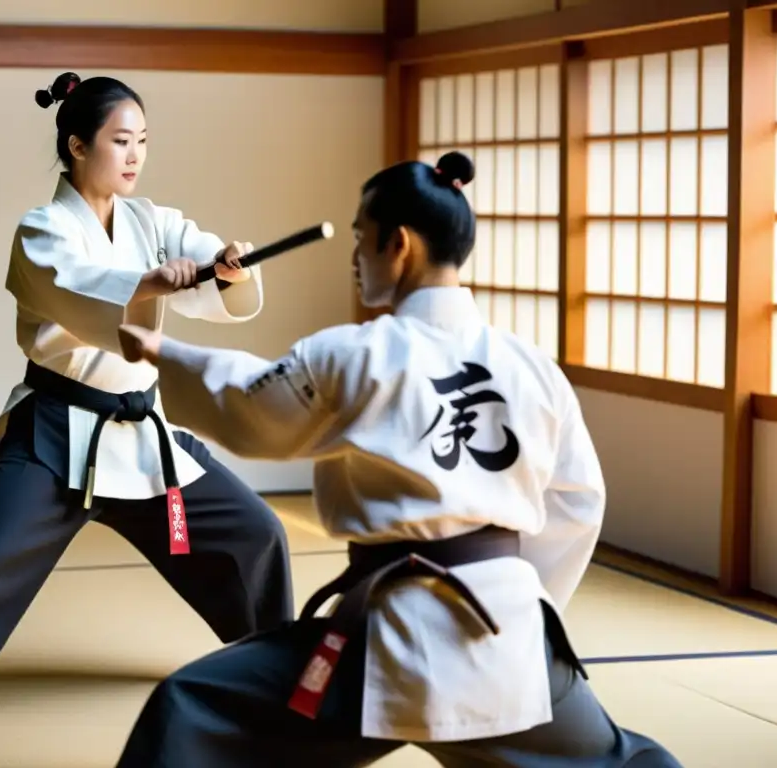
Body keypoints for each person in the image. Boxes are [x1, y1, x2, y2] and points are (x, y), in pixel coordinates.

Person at [112, 152, 684, 766]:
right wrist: (517, 599)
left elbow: (255, 412)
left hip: (381, 640)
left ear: (399, 244)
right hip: (505, 634)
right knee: (622, 760)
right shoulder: (533, 366)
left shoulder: (355, 356)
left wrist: (163, 353)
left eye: (361, 238)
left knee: (190, 712)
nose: (355, 256)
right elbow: (577, 501)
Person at [0, 72, 293, 737]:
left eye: (143, 141)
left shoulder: (153, 221)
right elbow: (80, 297)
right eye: (120, 141)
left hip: (141, 433)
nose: (134, 155)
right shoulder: (42, 231)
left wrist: (227, 266)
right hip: (57, 429)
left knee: (256, 532)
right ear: (77, 146)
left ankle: (273, 674)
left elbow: (203, 271)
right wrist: (144, 284)